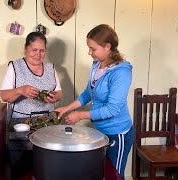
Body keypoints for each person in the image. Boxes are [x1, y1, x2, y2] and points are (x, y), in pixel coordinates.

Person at [54, 24, 134, 180]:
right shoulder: (97, 64)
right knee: (99, 174)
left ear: (107, 46)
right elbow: (87, 94)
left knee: (114, 176)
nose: (89, 52)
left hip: (118, 134)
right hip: (101, 131)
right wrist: (67, 109)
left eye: (93, 49)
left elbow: (112, 109)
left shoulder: (121, 73)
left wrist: (80, 115)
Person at [0, 31, 63, 118]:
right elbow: (4, 96)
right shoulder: (15, 66)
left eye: (42, 51)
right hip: (21, 122)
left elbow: (59, 93)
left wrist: (54, 97)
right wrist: (20, 90)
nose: (38, 54)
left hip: (47, 120)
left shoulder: (50, 67)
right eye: (34, 50)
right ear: (26, 49)